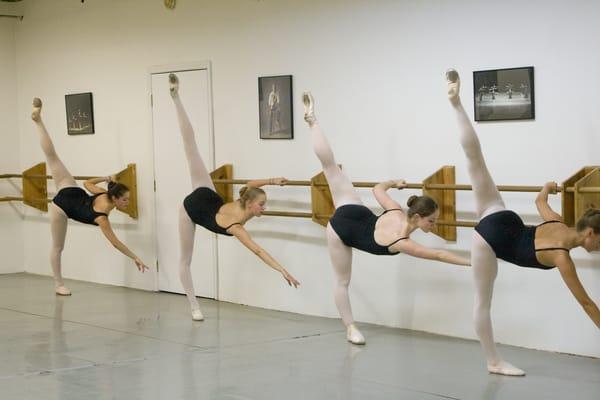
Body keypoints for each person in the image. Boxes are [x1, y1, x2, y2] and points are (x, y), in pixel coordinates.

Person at [446, 68, 600, 376]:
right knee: (482, 304)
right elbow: (585, 303)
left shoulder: (559, 224)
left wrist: (547, 187)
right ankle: (493, 362)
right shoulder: (561, 257)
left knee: (476, 159)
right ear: (591, 233)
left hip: (498, 214)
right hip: (489, 240)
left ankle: (456, 103)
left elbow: (540, 202)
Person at [302, 91, 470, 345]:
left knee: (330, 167)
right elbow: (439, 255)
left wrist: (395, 182)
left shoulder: (395, 210)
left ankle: (313, 121)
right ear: (418, 217)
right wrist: (473, 263)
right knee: (342, 281)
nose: (433, 226)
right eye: (431, 221)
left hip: (352, 208)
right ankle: (350, 328)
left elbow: (377, 189)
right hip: (340, 228)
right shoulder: (401, 241)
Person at [169, 74, 300, 321]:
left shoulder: (244, 198)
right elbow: (258, 251)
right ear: (250, 204)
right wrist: (282, 269)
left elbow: (250, 184)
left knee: (191, 147)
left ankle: (176, 99)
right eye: (261, 205)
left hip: (206, 192)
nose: (264, 209)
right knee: (185, 260)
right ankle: (194, 304)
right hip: (191, 208)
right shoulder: (237, 227)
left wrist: (273, 181)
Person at [31, 98, 148, 296]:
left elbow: (86, 184)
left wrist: (105, 177)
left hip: (69, 188)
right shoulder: (102, 218)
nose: (128, 203)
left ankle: (38, 121)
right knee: (58, 247)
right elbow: (115, 243)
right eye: (125, 200)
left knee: (52, 157)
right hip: (61, 206)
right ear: (117, 199)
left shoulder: (103, 193)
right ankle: (59, 284)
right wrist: (134, 256)